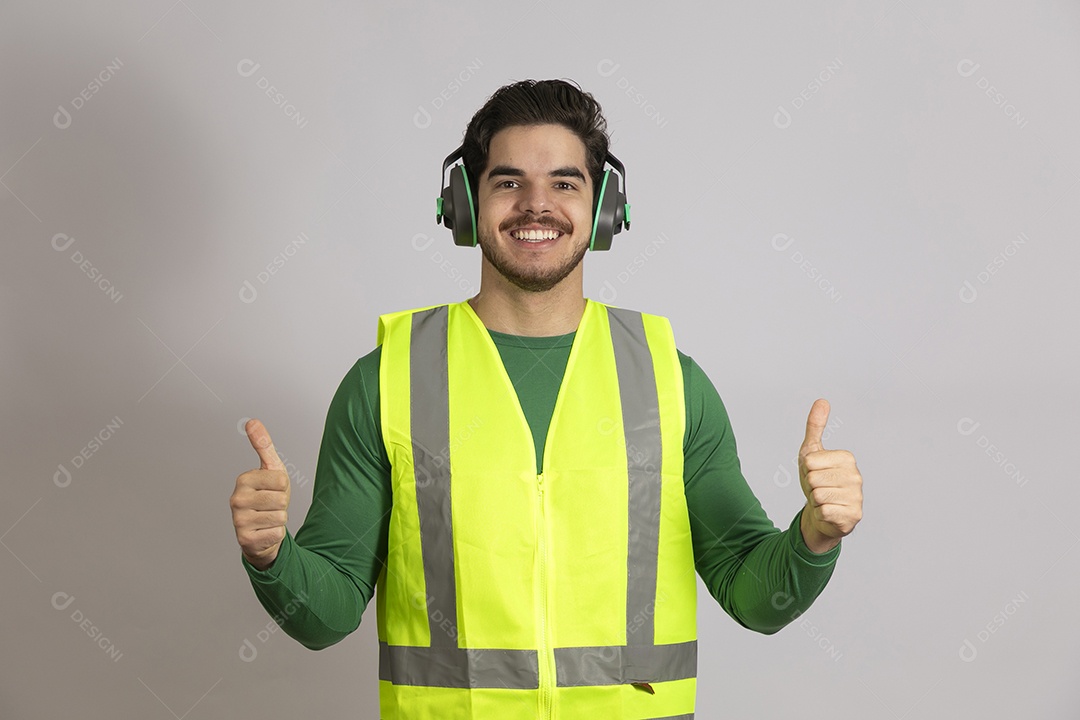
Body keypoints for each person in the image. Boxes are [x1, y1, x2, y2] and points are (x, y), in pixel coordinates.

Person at [230, 78, 863, 719]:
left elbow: (756, 601)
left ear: (605, 208)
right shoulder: (387, 379)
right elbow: (326, 617)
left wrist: (813, 537)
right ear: (465, 204)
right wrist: (272, 556)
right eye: (508, 182)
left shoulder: (672, 381)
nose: (537, 206)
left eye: (565, 183)